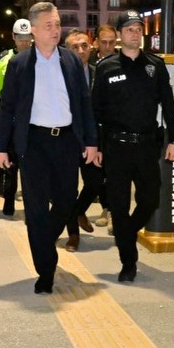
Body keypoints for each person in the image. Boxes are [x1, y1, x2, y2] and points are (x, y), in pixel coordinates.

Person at [0, 2, 99, 294]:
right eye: (48, 26)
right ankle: (45, 271)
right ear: (35, 30)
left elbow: (84, 103)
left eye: (57, 24)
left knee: (66, 201)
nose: (55, 30)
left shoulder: (72, 62)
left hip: (66, 141)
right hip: (34, 143)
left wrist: (91, 141)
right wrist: (1, 147)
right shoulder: (19, 64)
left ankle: (43, 239)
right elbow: (8, 109)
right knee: (36, 209)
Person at [91, 9, 174, 283]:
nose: (134, 33)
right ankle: (128, 262)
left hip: (146, 146)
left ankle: (126, 233)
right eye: (129, 29)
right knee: (118, 206)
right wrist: (94, 145)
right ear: (119, 35)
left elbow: (168, 105)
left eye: (138, 29)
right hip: (116, 147)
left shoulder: (155, 66)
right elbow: (95, 111)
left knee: (151, 199)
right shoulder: (107, 68)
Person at [62, 28, 101, 251]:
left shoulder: (99, 73)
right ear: (67, 51)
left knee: (95, 182)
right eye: (74, 47)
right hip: (67, 140)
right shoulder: (60, 75)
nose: (80, 50)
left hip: (92, 140)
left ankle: (78, 212)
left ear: (90, 47)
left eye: (84, 46)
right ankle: (73, 235)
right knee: (68, 189)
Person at [0, 18, 33, 215]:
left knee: (30, 168)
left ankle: (30, 207)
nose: (24, 42)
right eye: (20, 37)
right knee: (10, 165)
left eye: (27, 37)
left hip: (32, 120)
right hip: (11, 118)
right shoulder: (3, 59)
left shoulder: (40, 57)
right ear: (13, 37)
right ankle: (8, 202)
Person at [91, 24, 117, 230]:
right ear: (97, 42)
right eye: (104, 42)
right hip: (92, 125)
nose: (108, 46)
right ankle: (104, 206)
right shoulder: (90, 63)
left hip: (115, 126)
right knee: (97, 175)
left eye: (111, 42)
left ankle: (111, 211)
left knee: (115, 172)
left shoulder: (121, 62)